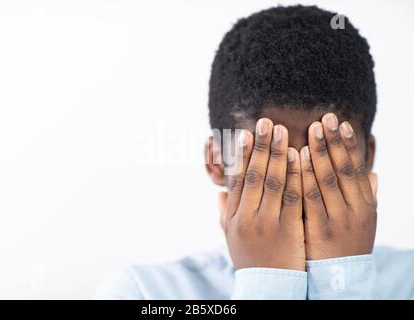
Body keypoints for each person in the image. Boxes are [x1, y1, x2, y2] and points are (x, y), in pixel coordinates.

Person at [97, 5, 414, 299]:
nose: (299, 191)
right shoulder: (143, 292)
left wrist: (344, 275)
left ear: (366, 158)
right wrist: (267, 278)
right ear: (217, 160)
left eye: (325, 159)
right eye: (269, 162)